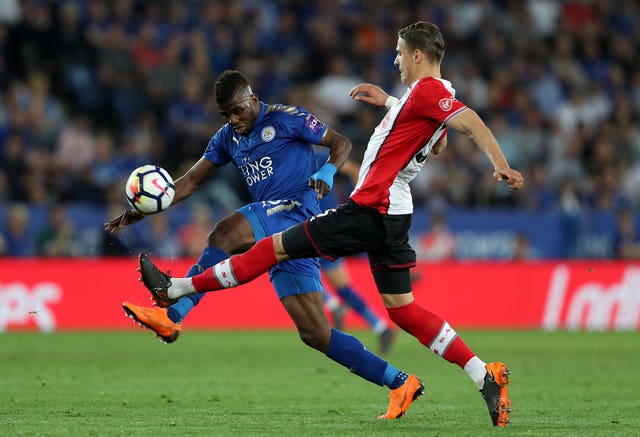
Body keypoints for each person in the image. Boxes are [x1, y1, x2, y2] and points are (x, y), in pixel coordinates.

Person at [136, 22, 524, 427]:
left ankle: (177, 290)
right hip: (395, 211)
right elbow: (436, 140)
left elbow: (471, 123)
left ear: (417, 56)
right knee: (402, 311)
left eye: (398, 52)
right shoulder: (424, 97)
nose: (395, 59)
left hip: (372, 206)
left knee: (270, 248)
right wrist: (389, 101)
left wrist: (500, 165)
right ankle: (483, 373)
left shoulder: (430, 92)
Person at [106, 70, 424, 420]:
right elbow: (193, 180)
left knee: (224, 234)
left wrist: (328, 172)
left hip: (296, 213)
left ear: (253, 99)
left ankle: (173, 313)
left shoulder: (288, 118)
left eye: (238, 110)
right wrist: (148, 208)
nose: (233, 119)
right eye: (225, 114)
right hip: (279, 236)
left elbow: (341, 144)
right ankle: (400, 382)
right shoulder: (227, 137)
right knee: (316, 334)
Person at [316, 156, 396, 354]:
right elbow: (355, 171)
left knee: (289, 263)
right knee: (343, 288)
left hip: (317, 227)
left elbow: (354, 171)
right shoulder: (321, 157)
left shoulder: (311, 158)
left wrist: (358, 201)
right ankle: (380, 327)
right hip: (332, 227)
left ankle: (333, 305)